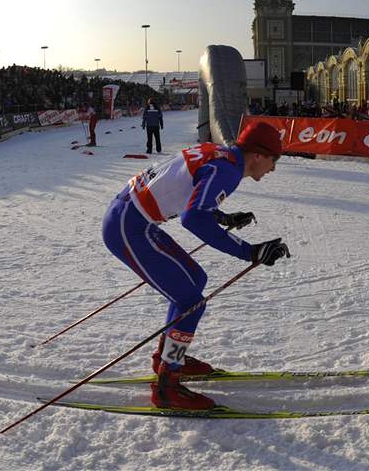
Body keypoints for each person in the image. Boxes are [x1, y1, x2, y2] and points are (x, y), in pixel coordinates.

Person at [101, 121, 291, 410]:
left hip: (130, 217)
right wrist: (250, 252)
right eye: (274, 160)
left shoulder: (222, 155)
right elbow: (193, 218)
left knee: (195, 280)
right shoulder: (228, 171)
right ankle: (167, 387)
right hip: (128, 227)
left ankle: (167, 356)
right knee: (191, 301)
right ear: (258, 155)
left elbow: (192, 189)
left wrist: (222, 217)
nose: (273, 168)